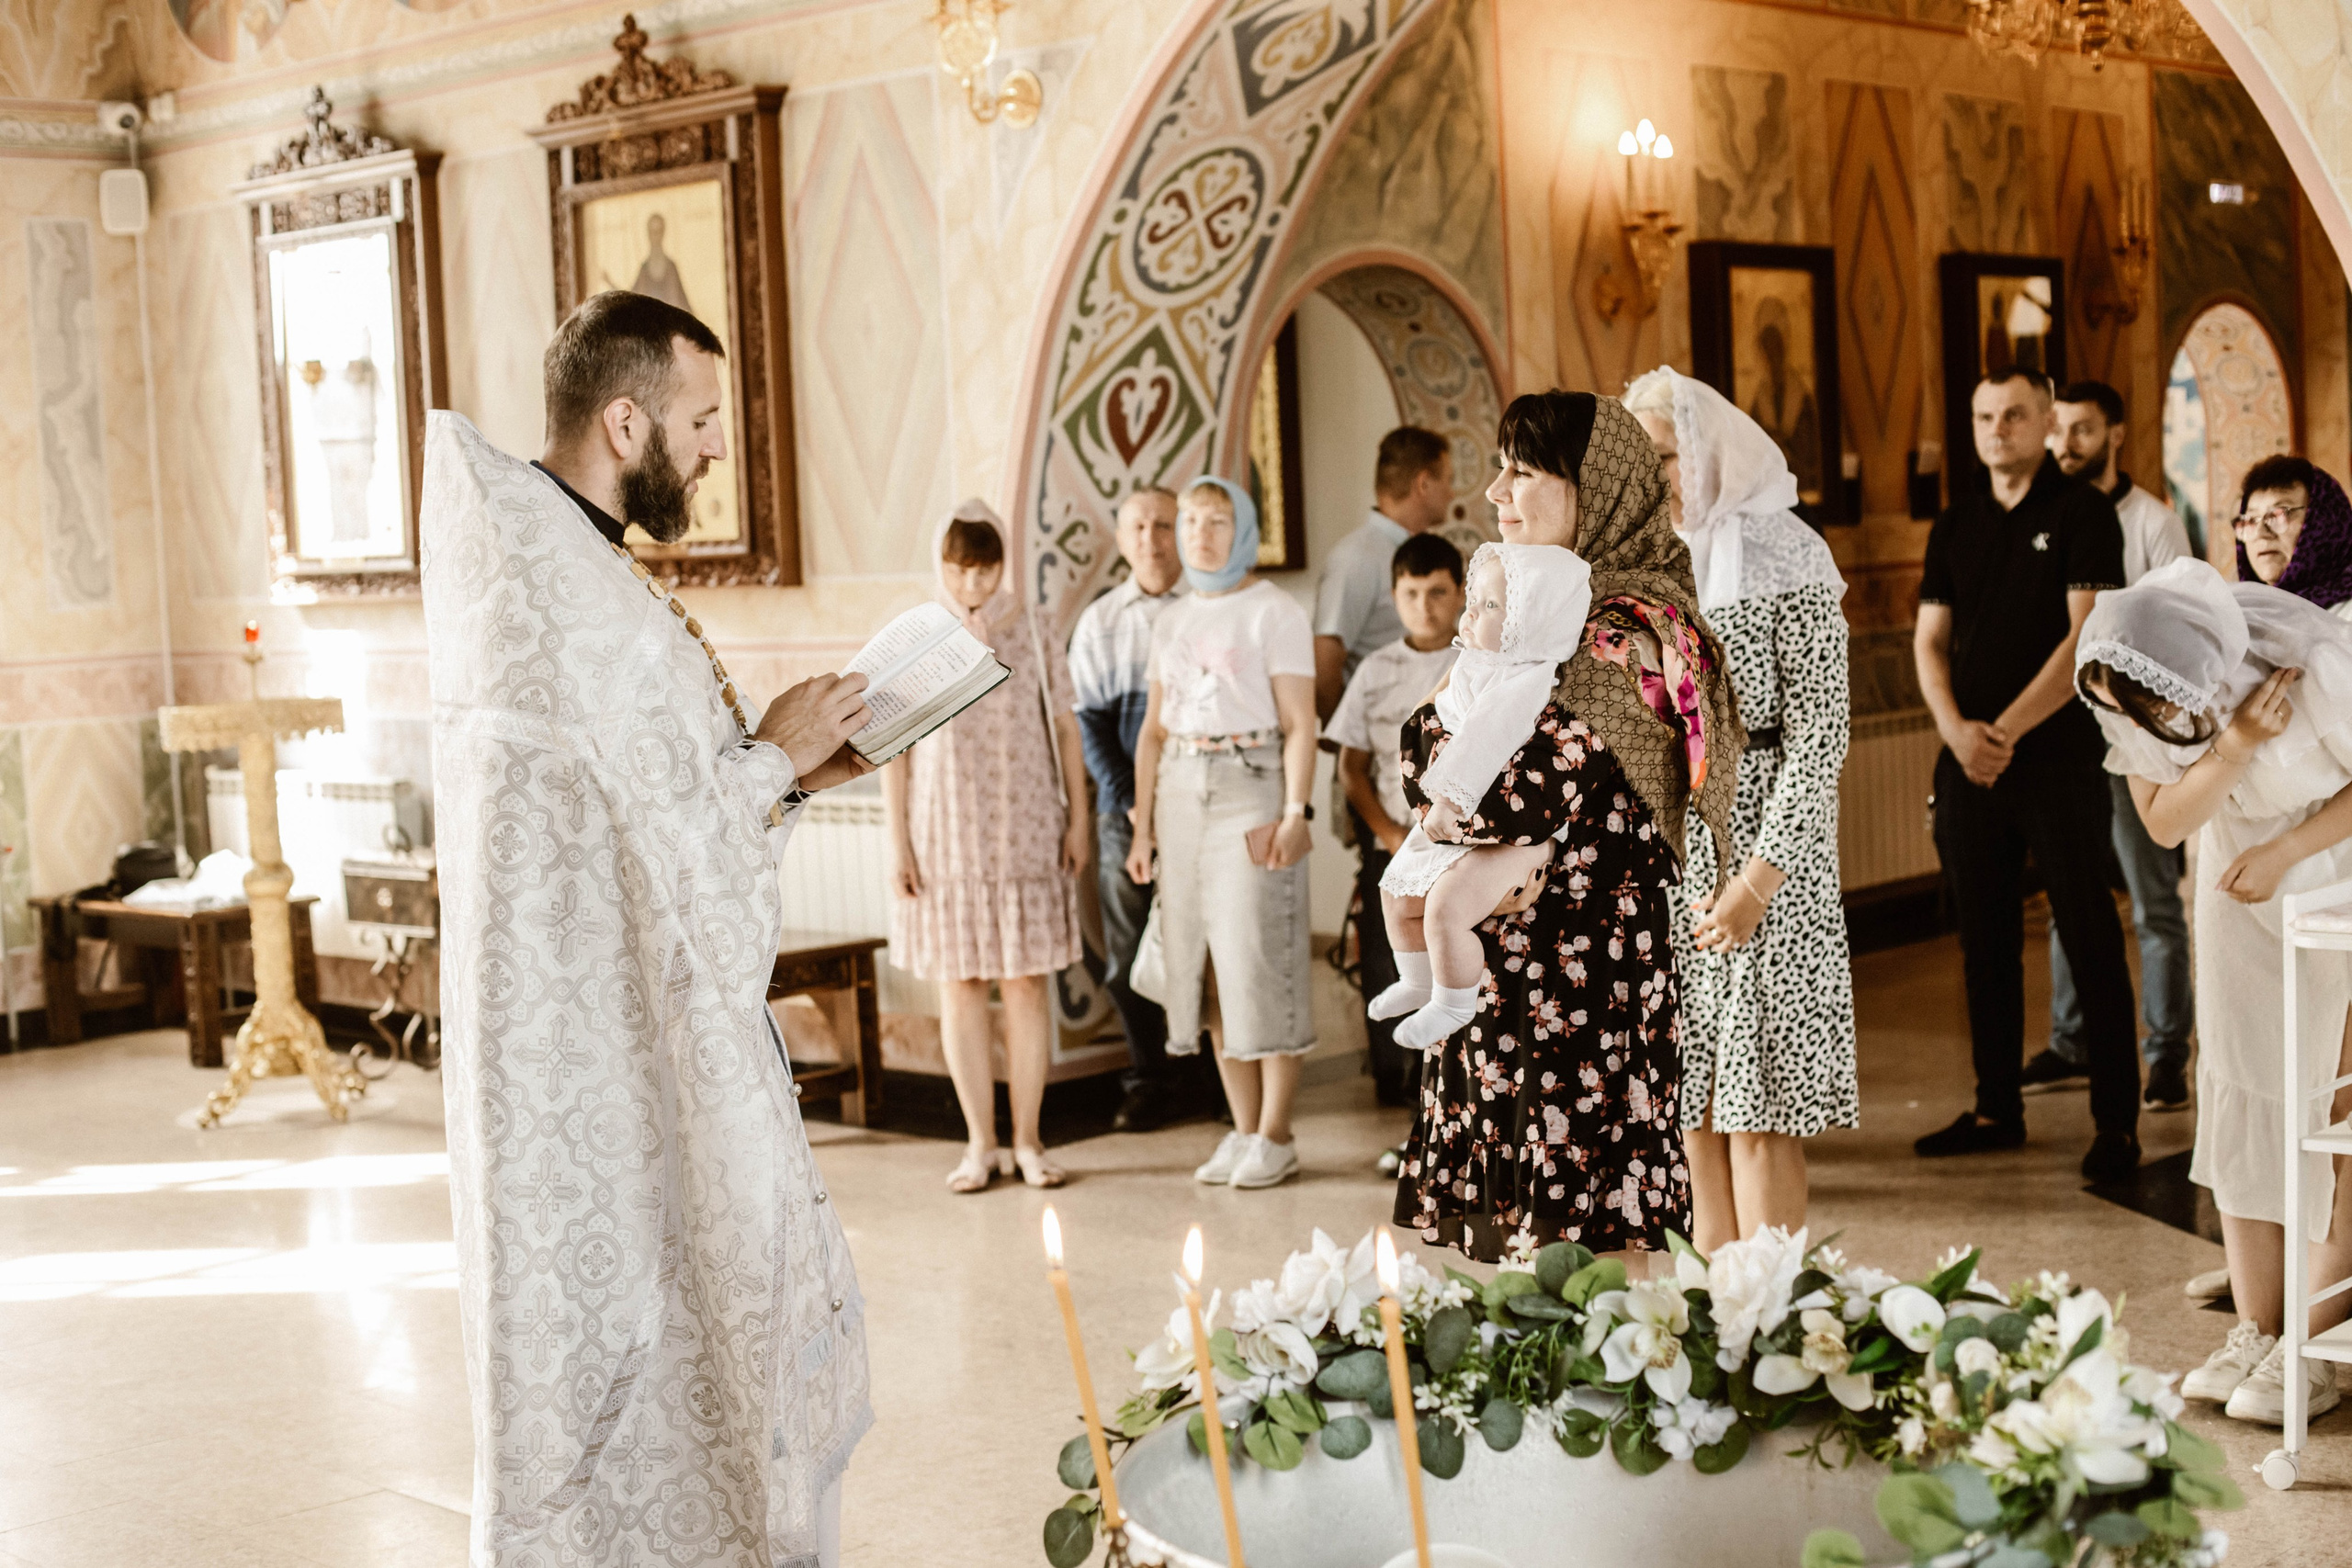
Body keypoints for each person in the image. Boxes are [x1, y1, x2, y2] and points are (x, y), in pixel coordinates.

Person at [423, 290, 871, 1566]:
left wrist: (787, 773)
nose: (716, 446)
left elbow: (649, 827)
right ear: (626, 419)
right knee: (640, 1359)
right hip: (598, 1071)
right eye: (701, 416)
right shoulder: (582, 601)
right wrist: (774, 755)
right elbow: (671, 859)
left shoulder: (560, 567)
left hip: (590, 1050)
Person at [1394, 391, 1744, 1265]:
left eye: (1526, 469)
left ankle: (1610, 1391)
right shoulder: (1519, 616)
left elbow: (1505, 790)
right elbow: (1424, 752)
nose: (1496, 489)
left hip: (1584, 972)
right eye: (1500, 464)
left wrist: (1448, 775)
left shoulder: (1628, 631)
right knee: (1515, 1235)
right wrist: (1446, 772)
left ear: (1596, 487)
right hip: (1494, 966)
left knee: (1585, 1232)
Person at [2075, 559, 2352, 1425]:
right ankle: (2257, 1329)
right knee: (2242, 1108)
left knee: (2327, 1124)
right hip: (2240, 903)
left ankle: (2316, 1347)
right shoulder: (2135, 682)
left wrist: (2286, 852)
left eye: (2169, 709)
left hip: (2332, 888)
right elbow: (2162, 820)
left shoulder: (2312, 660)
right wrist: (2231, 748)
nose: (2159, 725)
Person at [1624, 366, 1857, 1252]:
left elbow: (1821, 735)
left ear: (1711, 451)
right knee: (1691, 1105)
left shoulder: (1790, 554)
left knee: (1757, 1105)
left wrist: (1759, 877)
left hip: (1771, 846)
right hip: (1674, 848)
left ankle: (1770, 1318)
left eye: (1665, 455)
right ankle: (1711, 1315)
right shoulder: (1641, 570)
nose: (1652, 478)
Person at [1913, 367, 2141, 1181]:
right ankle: (1993, 1106)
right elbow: (1929, 641)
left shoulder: (2082, 513)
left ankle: (2117, 1122)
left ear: (2044, 421)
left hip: (2055, 758)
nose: (1996, 428)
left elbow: (2086, 640)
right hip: (1969, 761)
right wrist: (1954, 731)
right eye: (1983, 415)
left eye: (2014, 414)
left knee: (2087, 934)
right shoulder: (1955, 523)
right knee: (1984, 941)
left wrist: (2002, 731)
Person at [886, 501, 1089, 1193]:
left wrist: (1078, 817)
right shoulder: (918, 634)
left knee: (1027, 984)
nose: (971, 583)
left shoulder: (1032, 626)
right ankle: (979, 1142)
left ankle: (1029, 1139)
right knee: (961, 986)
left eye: (983, 568)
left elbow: (1066, 727)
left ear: (1002, 565)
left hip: (1025, 819)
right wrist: (899, 845)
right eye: (958, 568)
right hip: (944, 829)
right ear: (943, 565)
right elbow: (895, 746)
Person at [1127, 477, 1318, 1190]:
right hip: (1179, 782)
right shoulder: (1170, 618)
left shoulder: (1273, 610)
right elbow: (1150, 732)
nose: (1201, 533)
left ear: (1243, 528)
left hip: (1251, 781)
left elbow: (1301, 722)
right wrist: (1143, 827)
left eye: (1217, 520)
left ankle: (1278, 1132)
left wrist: (1296, 811)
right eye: (1192, 521)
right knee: (1202, 963)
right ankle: (1242, 1131)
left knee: (1255, 951)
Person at [2027, 379, 2198, 1111]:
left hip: (2133, 742)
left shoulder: (2153, 523)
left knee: (2152, 901)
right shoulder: (2047, 518)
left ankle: (2164, 1055)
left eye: (2084, 430)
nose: (2067, 444)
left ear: (2116, 435)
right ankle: (2073, 1041)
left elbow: (2185, 631)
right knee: (2072, 896)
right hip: (2069, 741)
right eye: (2058, 429)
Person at [1370, 543, 1593, 1050]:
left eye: (1491, 607)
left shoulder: (1524, 677)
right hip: (1458, 817)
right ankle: (1417, 979)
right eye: (1475, 600)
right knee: (1396, 891)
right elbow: (1429, 717)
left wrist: (1444, 800)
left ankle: (1452, 1003)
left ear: (1530, 622)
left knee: (1447, 908)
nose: (1470, 614)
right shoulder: (1478, 661)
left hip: (1510, 837)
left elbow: (1480, 742)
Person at [1328, 532, 1465, 1125]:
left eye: (1438, 592)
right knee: (1392, 954)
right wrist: (1386, 832)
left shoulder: (1474, 660)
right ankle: (1404, 1088)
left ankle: (1456, 1086)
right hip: (1395, 838)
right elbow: (1349, 767)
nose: (1425, 606)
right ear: (1394, 596)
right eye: (1412, 593)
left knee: (1457, 961)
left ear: (1461, 593)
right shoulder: (1377, 669)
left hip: (1464, 842)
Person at [1068, 486, 1187, 1133]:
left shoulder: (1207, 607)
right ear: (1121, 538)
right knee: (1129, 953)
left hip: (1204, 804)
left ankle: (1210, 1075)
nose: (1152, 538)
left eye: (1164, 524)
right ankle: (1151, 1079)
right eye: (1139, 526)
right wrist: (1135, 808)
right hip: (1123, 814)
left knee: (1204, 943)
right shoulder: (1101, 622)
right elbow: (1090, 725)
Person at [1314, 425, 1454, 717]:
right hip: (1379, 736)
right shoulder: (1357, 558)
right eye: (1449, 481)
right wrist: (1347, 740)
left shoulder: (1428, 552)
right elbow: (1325, 659)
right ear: (1424, 483)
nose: (1452, 494)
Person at [2233, 454, 2352, 618]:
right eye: (2251, 520)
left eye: (2279, 514)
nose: (2260, 533)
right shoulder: (2241, 617)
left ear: (2324, 522)